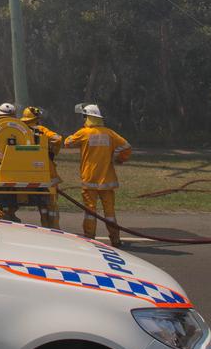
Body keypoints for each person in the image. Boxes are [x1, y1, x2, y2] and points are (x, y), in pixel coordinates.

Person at [64, 103, 132, 247]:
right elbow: (126, 146)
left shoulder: (84, 133)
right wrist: (119, 158)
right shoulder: (110, 133)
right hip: (107, 181)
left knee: (90, 211)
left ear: (87, 117)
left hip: (90, 180)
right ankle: (115, 239)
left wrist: (76, 135)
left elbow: (67, 143)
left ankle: (90, 239)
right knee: (110, 213)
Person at [21, 106, 62, 228]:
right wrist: (52, 151)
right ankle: (54, 230)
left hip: (26, 173)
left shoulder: (18, 128)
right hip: (46, 171)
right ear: (37, 118)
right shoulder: (41, 129)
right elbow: (58, 139)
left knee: (42, 206)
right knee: (51, 205)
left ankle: (44, 229)